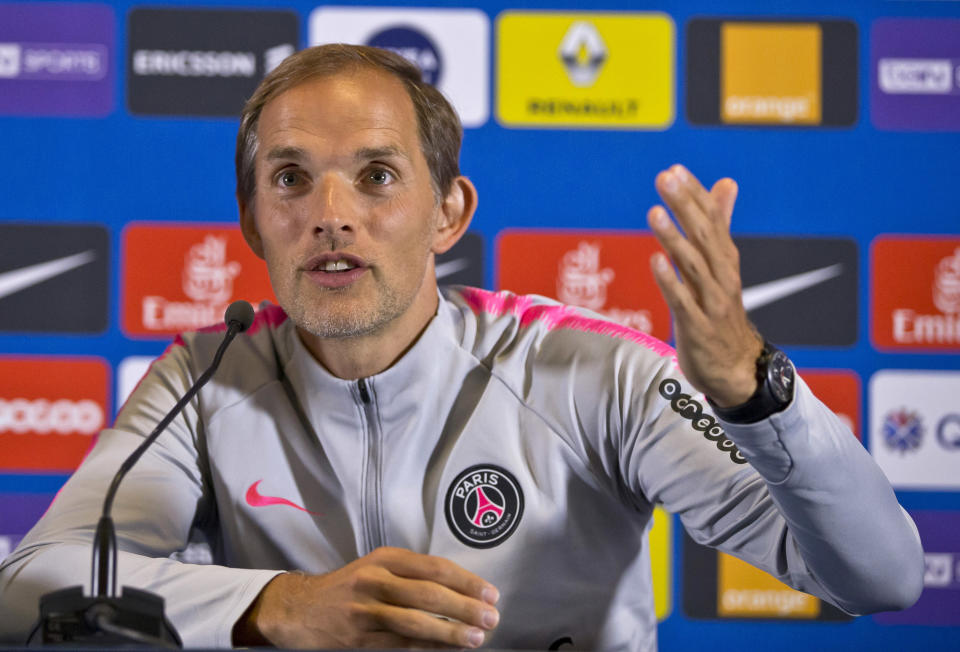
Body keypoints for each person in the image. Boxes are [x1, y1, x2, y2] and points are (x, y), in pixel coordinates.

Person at [0, 44, 923, 651]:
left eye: (376, 176)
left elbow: (879, 576)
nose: (330, 216)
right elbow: (28, 588)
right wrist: (279, 606)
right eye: (291, 179)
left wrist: (754, 394)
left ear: (449, 213)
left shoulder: (591, 371)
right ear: (252, 221)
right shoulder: (205, 376)